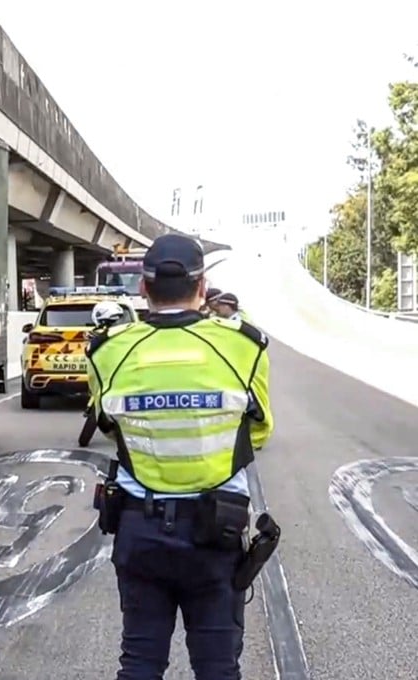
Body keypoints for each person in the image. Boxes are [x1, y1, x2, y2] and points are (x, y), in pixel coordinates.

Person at [85, 233, 274, 679]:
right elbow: (260, 432)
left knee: (139, 664)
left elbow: (108, 425)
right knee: (218, 669)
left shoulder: (108, 352)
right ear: (202, 287)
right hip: (216, 533)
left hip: (140, 530)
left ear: (143, 289)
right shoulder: (244, 348)